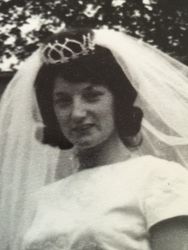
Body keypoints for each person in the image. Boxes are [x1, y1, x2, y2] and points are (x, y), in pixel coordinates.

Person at [1, 28, 188, 250]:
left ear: (118, 101)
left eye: (92, 96)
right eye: (63, 101)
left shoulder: (160, 179)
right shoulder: (41, 200)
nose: (77, 113)